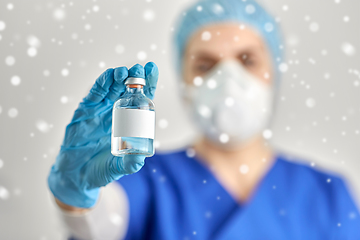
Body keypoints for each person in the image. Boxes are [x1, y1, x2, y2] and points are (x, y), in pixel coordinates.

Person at [47, 0, 360, 239]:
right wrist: (75, 198)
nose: (228, 80)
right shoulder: (143, 174)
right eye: (205, 65)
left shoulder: (327, 195)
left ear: (273, 72)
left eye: (247, 60)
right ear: (183, 83)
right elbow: (100, 223)